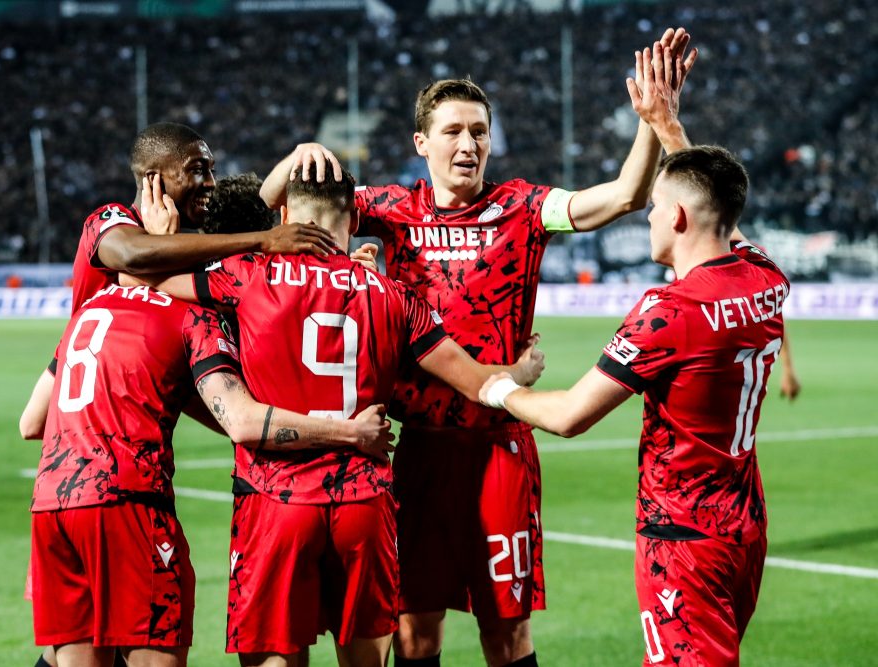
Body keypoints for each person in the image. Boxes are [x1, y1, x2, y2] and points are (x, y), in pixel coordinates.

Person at [259, 30, 696, 667]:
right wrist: (294, 157)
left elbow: (625, 196)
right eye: (454, 131)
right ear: (421, 143)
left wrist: (654, 121)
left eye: (480, 131)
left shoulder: (522, 206)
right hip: (418, 454)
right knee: (413, 634)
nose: (469, 144)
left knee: (507, 634)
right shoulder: (386, 208)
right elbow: (279, 208)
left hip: (500, 448)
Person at [131, 162, 544, 667]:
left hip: (275, 499)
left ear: (284, 215)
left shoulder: (247, 276)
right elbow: (476, 381)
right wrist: (518, 373)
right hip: (363, 504)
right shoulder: (394, 296)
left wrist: (161, 236)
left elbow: (144, 274)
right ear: (352, 218)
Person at [23, 122, 337, 667]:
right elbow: (138, 254)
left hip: (62, 472)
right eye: (197, 169)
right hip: (124, 489)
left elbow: (32, 421)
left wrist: (288, 171)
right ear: (153, 181)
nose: (210, 181)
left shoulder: (124, 295)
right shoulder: (116, 225)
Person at [478, 145, 787, 666]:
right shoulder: (766, 278)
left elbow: (570, 415)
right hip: (743, 527)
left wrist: (498, 389)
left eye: (656, 205)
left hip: (683, 538)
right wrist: (669, 129)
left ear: (679, 217)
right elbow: (721, 210)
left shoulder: (670, 311)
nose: (649, 215)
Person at [31, 279, 393, 667]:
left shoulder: (90, 307)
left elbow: (30, 422)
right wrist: (350, 432)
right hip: (127, 502)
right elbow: (241, 422)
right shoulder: (189, 314)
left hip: (52, 502)